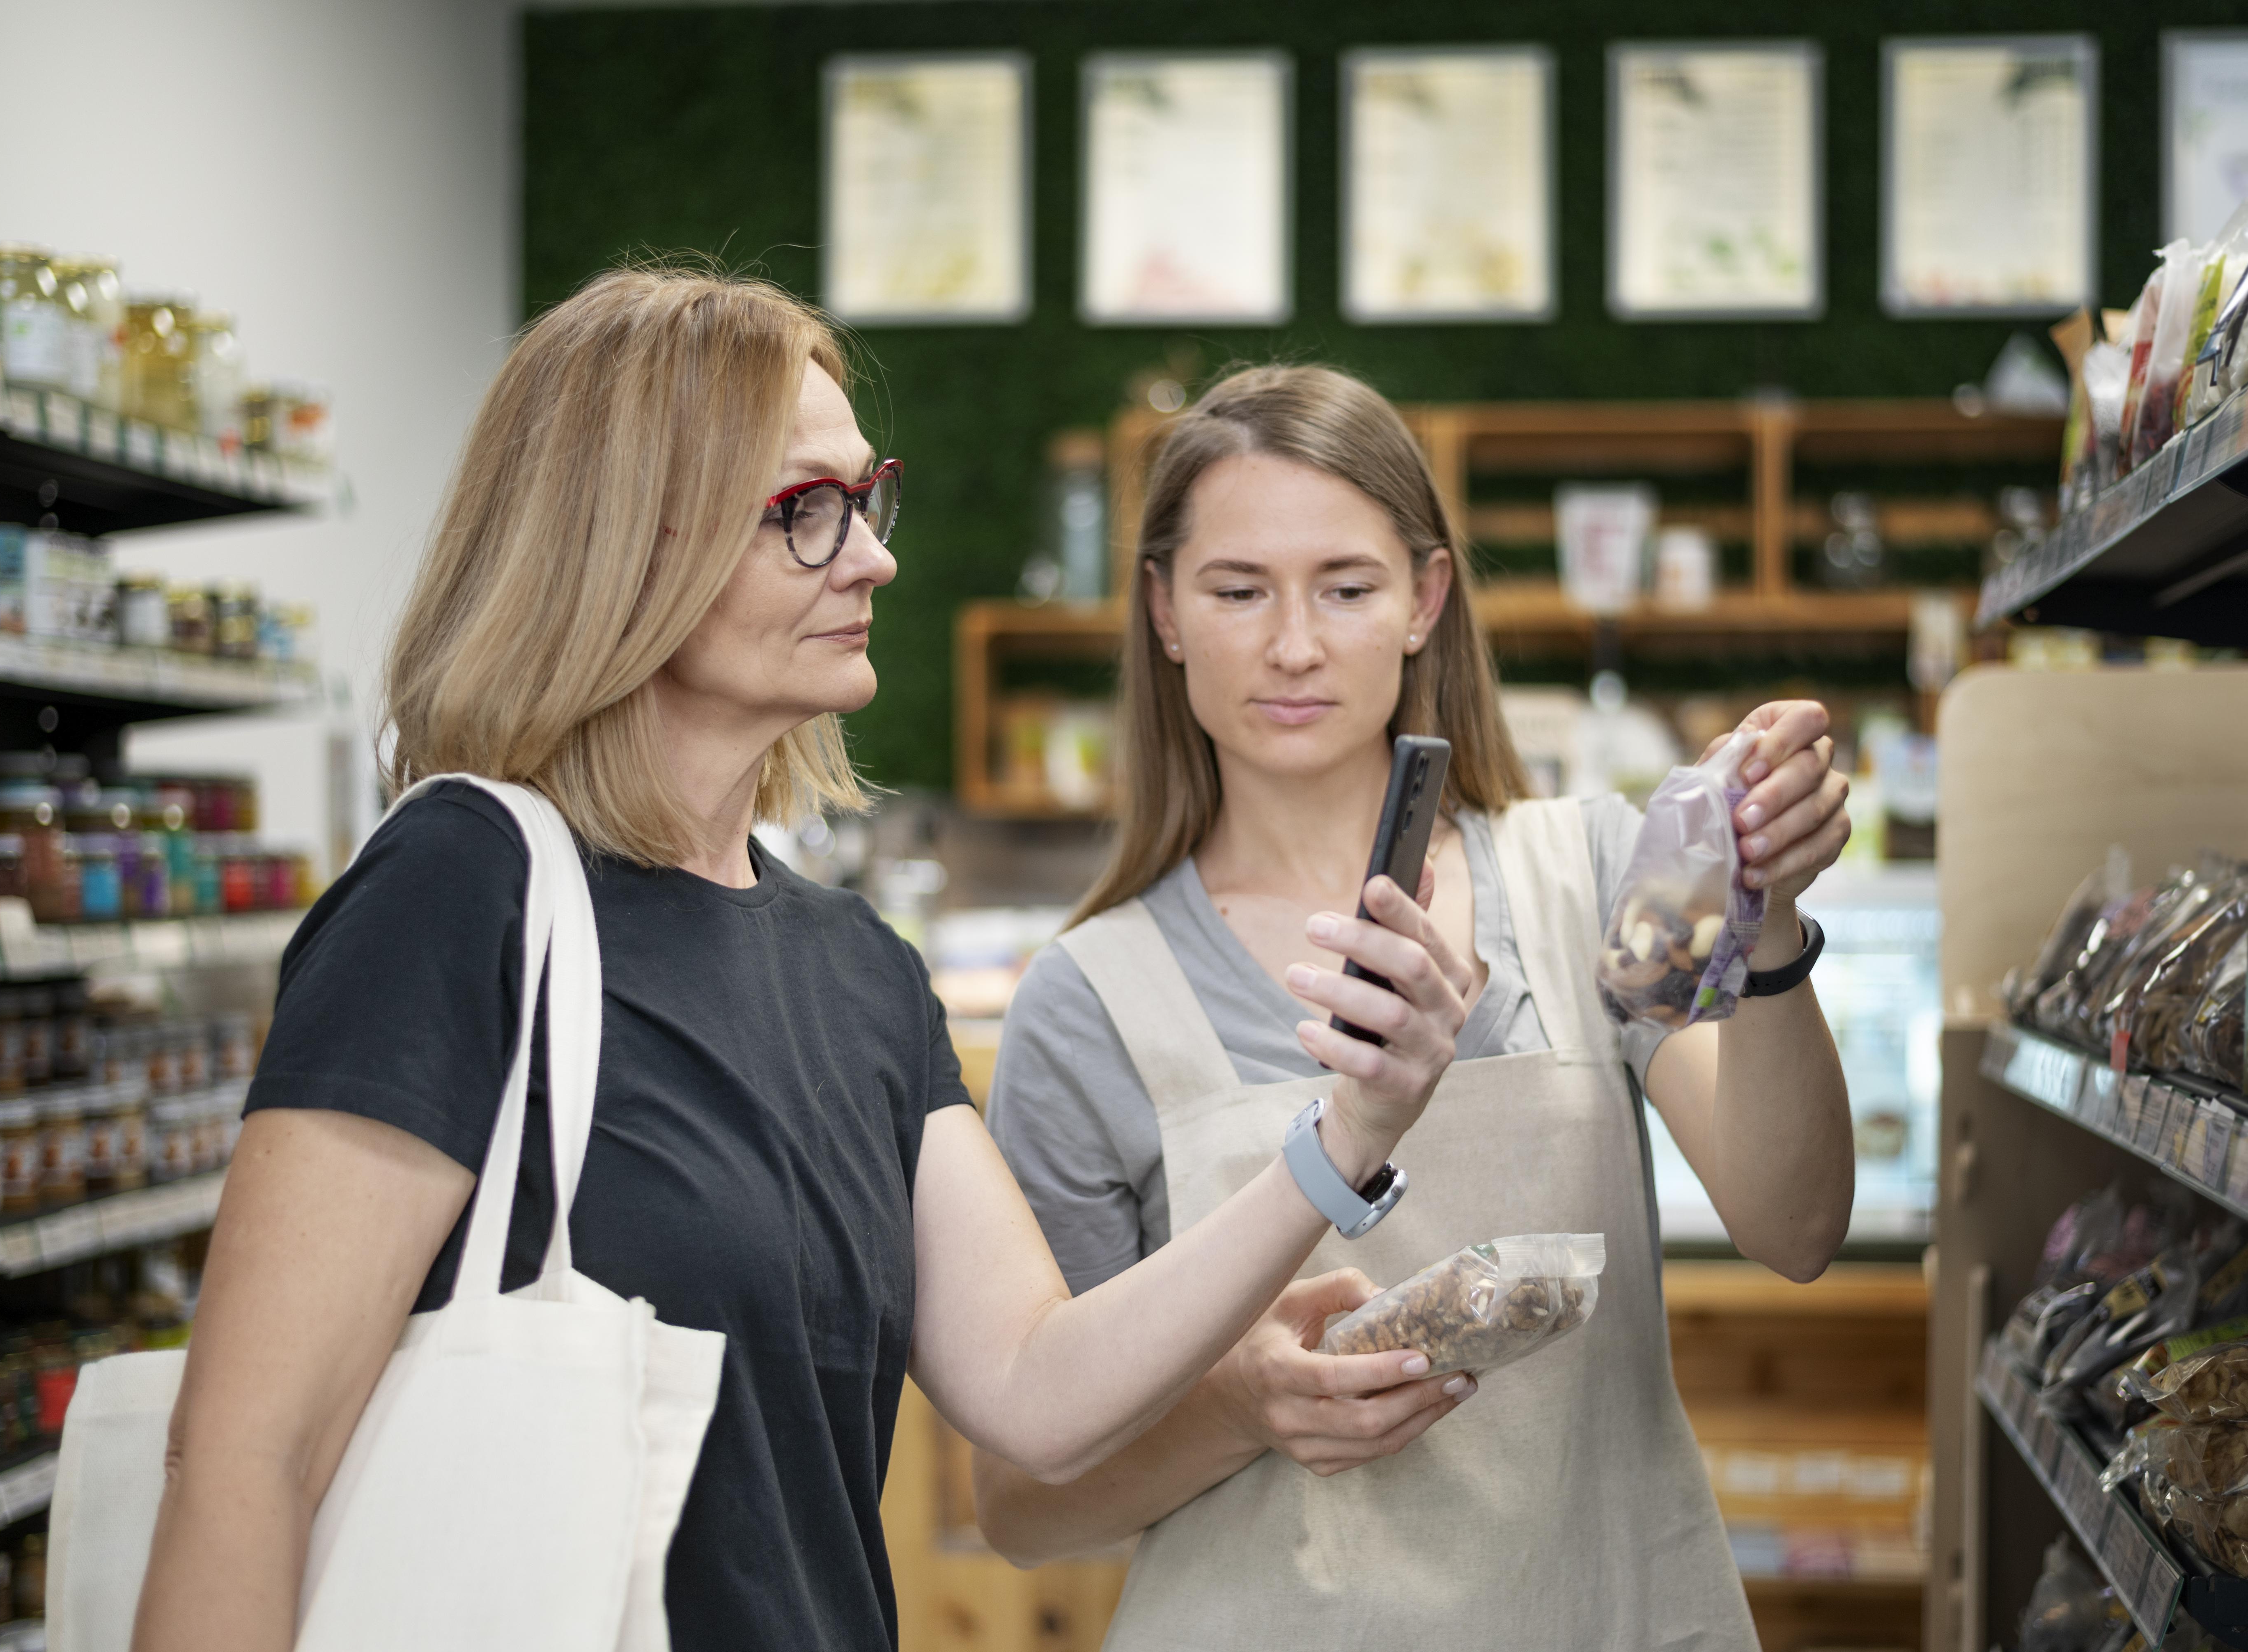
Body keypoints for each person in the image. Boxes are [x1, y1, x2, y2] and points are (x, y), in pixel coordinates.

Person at [130, 274, 1477, 1652]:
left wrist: (1349, 1137)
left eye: (865, 498)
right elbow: (244, 1458)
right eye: (802, 511)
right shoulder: (463, 892)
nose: (873, 559)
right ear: (623, 546)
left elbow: (1037, 1389)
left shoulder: (860, 973)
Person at [976, 365, 1856, 1650]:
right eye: (1237, 591)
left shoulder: (1592, 875)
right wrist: (1237, 1411)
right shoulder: (1089, 1004)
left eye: (1346, 587)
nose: (1294, 644)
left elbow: (1797, 1226)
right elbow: (1021, 1505)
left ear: (1425, 600)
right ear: (1164, 610)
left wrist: (1767, 919)